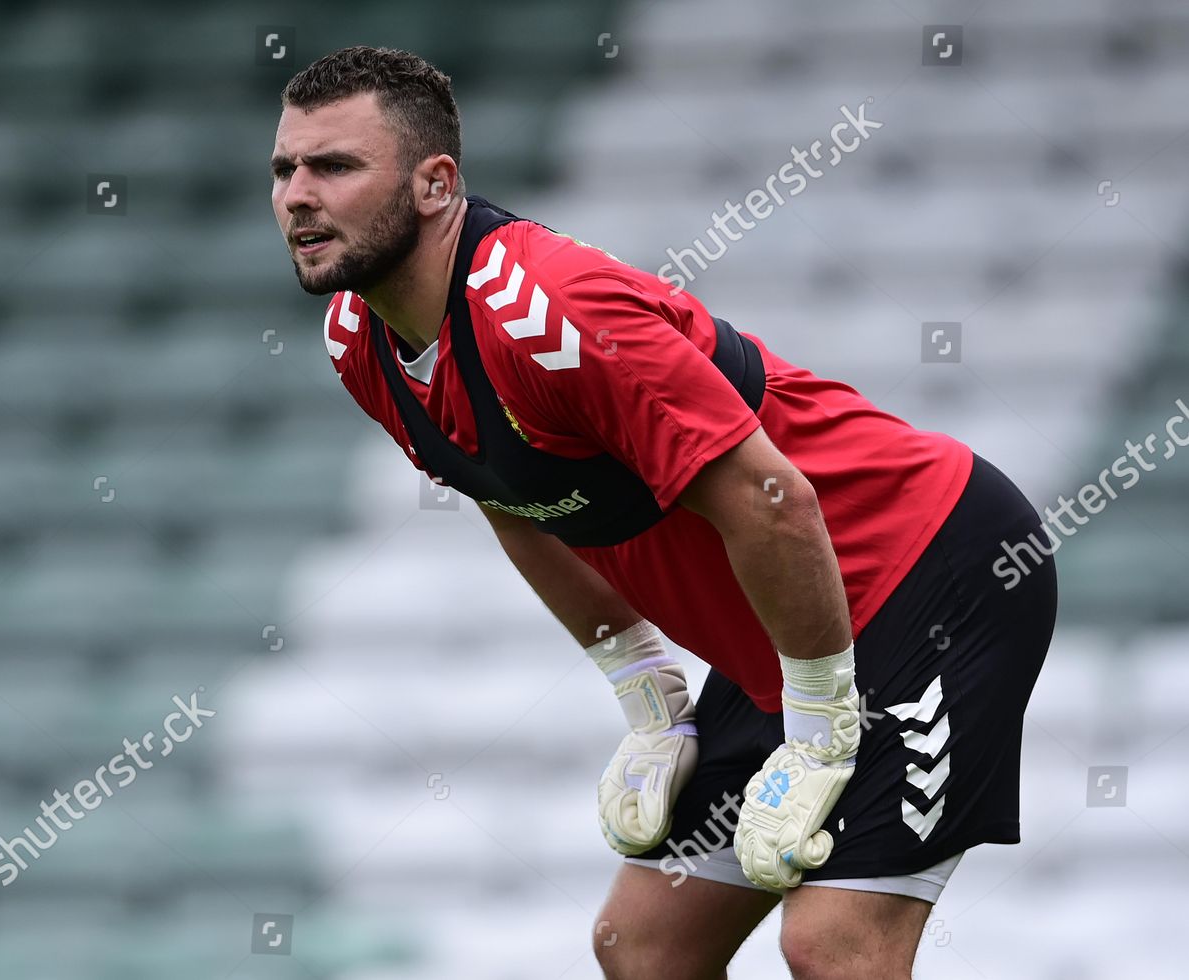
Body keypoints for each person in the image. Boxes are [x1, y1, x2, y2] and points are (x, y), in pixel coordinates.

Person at [269, 44, 1057, 980]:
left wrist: (817, 735)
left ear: (437, 184)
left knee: (833, 947)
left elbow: (779, 504)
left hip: (929, 569)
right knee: (641, 947)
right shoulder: (360, 338)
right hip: (797, 618)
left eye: (336, 166)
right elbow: (511, 500)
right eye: (284, 168)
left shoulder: (548, 311)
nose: (297, 195)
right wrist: (647, 694)